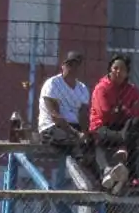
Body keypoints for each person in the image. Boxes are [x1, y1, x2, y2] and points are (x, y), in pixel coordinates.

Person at [37, 51, 102, 184]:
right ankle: (88, 181)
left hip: (74, 128)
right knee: (75, 144)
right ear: (63, 66)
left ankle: (103, 179)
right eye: (70, 64)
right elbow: (56, 116)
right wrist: (77, 134)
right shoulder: (52, 84)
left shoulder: (82, 88)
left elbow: (83, 115)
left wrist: (85, 133)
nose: (73, 68)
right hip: (51, 128)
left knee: (92, 141)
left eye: (77, 65)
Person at [88, 54, 139, 191]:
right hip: (103, 126)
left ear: (127, 72)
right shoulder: (101, 88)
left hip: (122, 126)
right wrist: (126, 109)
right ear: (109, 69)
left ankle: (123, 175)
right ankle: (130, 173)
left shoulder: (132, 90)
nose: (118, 72)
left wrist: (120, 110)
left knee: (135, 123)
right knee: (129, 139)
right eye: (115, 68)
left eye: (122, 69)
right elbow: (105, 113)